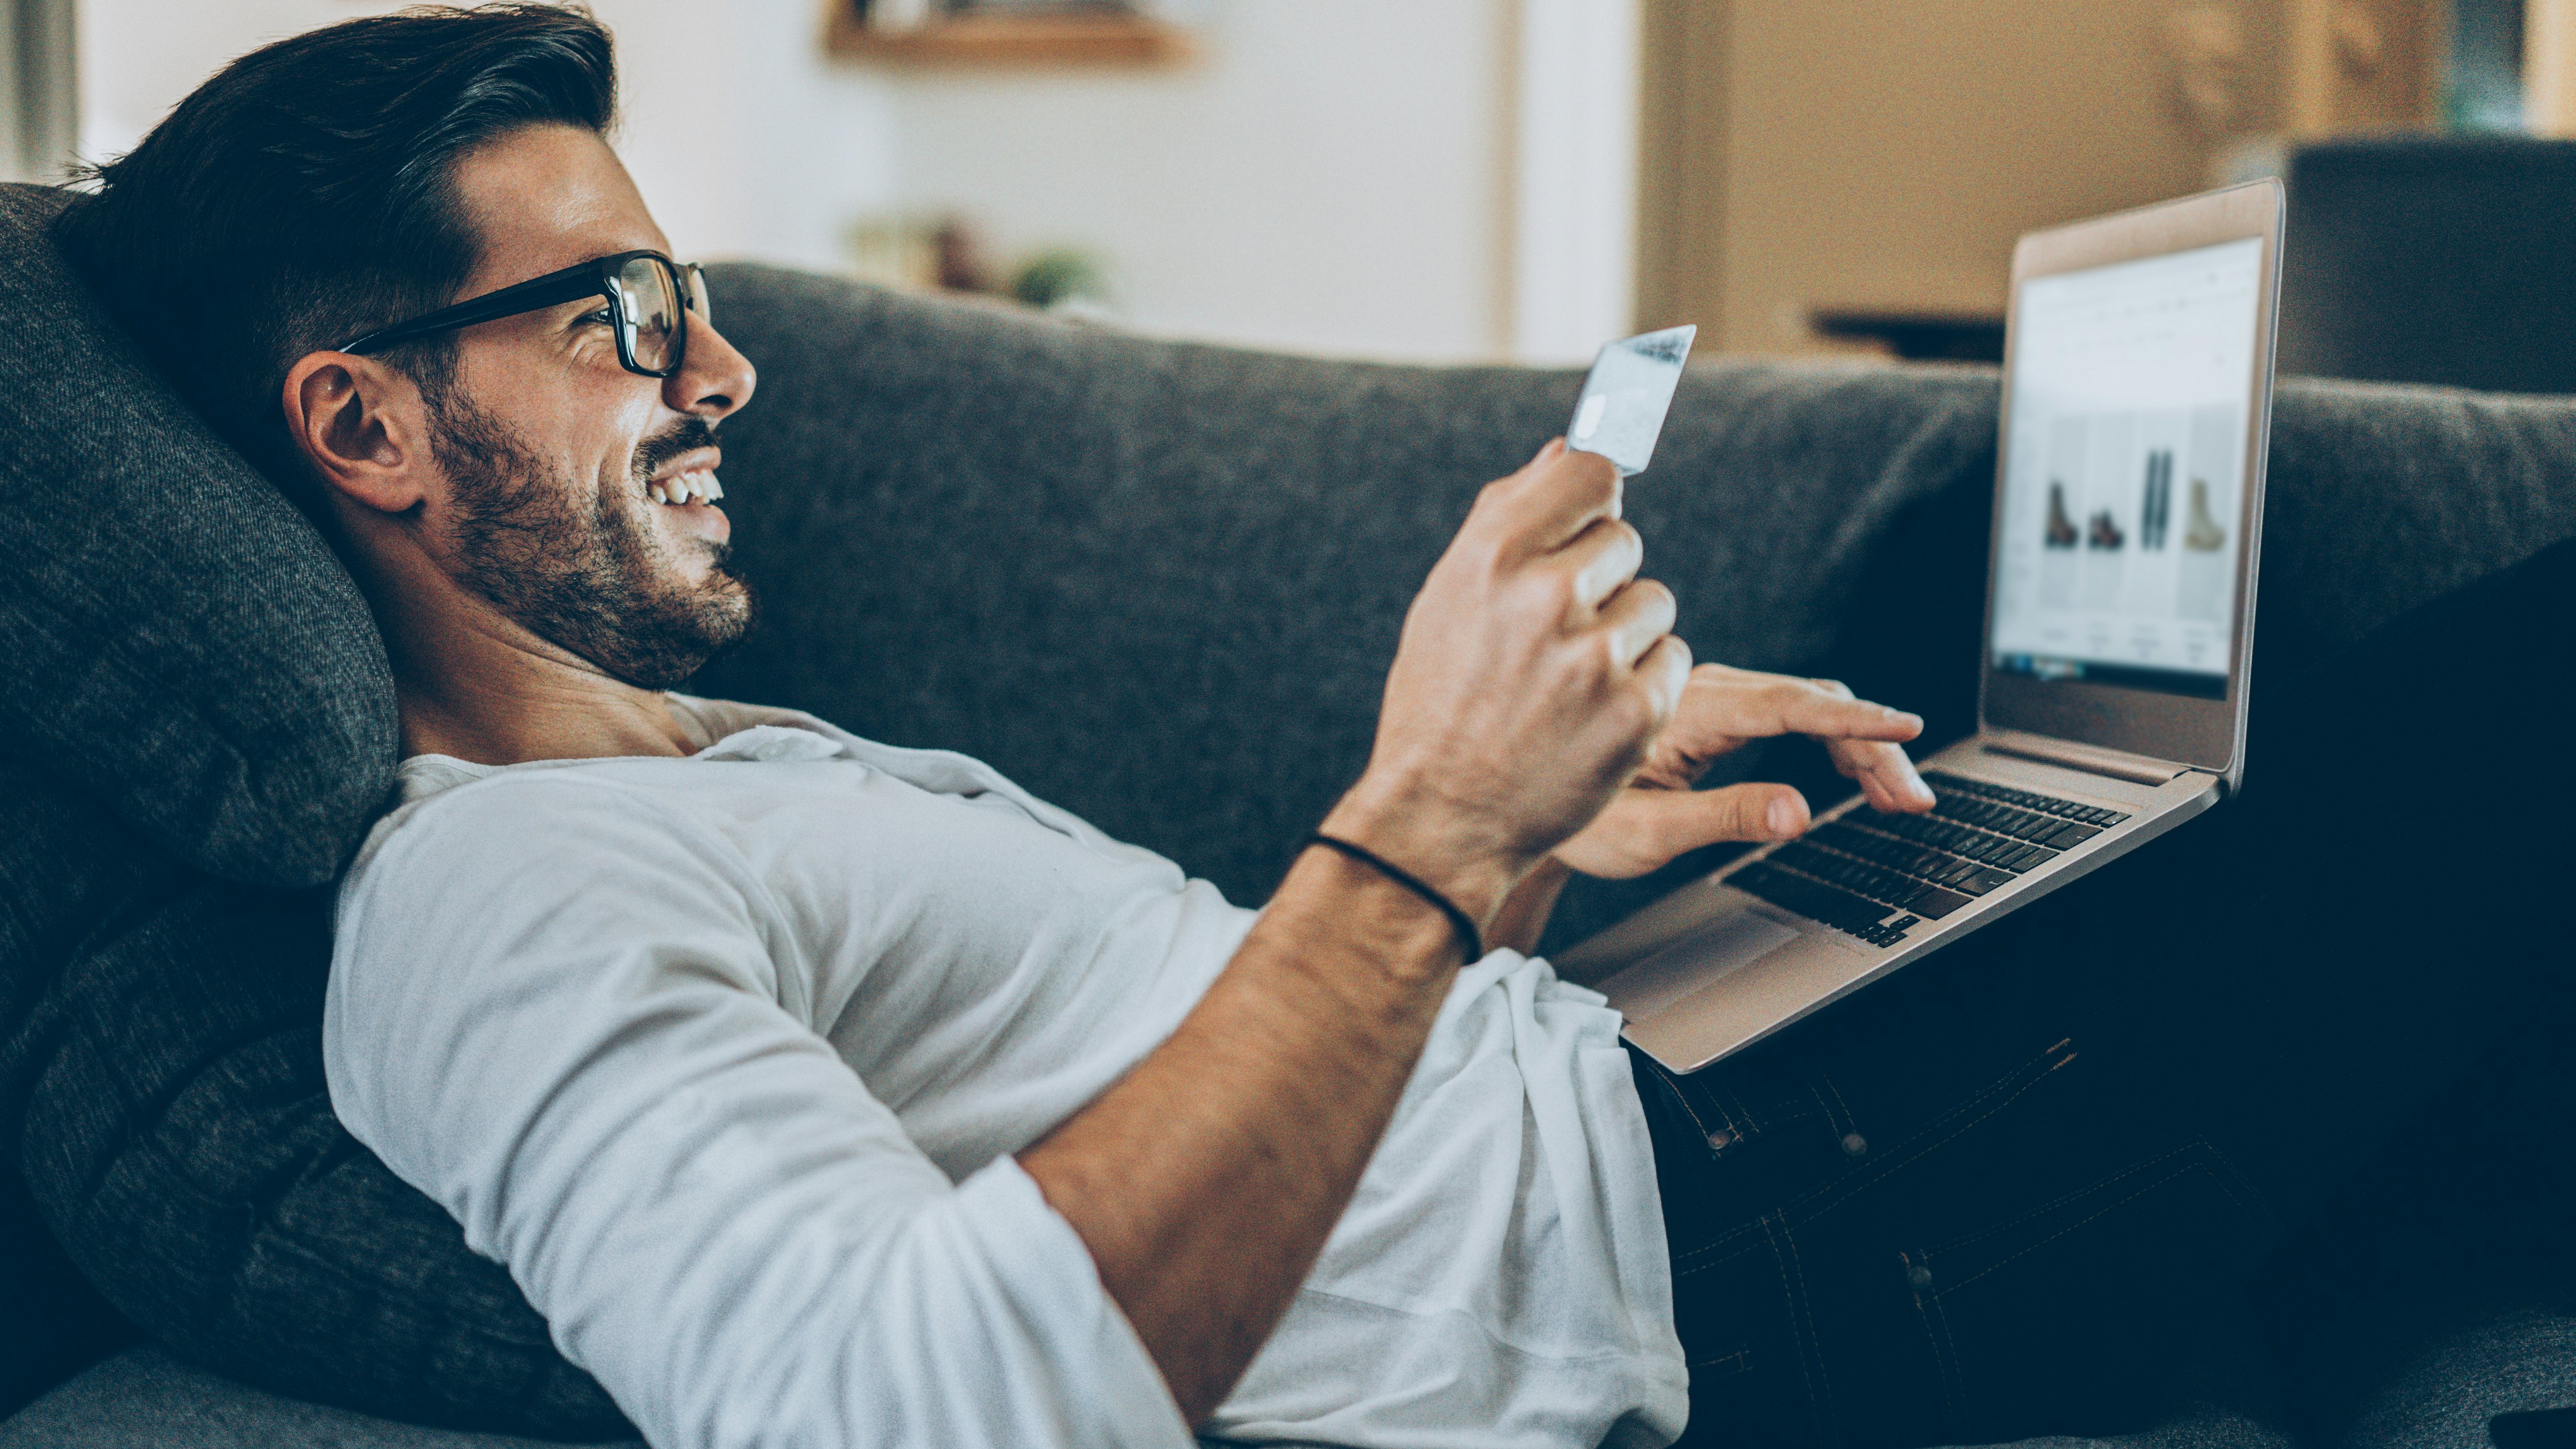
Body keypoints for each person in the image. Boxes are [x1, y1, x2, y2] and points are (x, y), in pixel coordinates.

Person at [57, 7, 2576, 1449]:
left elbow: (1151, 1057)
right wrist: (1422, 826)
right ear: (366, 430)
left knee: (1964, 597)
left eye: (687, 286)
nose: (721, 365)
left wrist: (1526, 853)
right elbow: (897, 1418)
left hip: (1637, 1096)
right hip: (1765, 1245)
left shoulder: (669, 769)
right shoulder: (494, 909)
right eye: (618, 316)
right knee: (2518, 668)